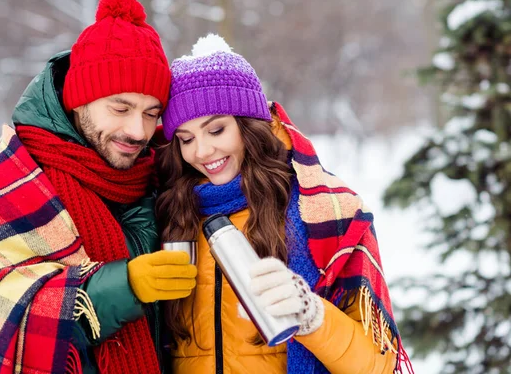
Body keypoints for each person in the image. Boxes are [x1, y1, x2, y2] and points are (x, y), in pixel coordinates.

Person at [0, 0, 197, 374]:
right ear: (79, 100)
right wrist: (120, 289)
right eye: (120, 107)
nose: (138, 130)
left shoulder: (161, 174)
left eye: (151, 112)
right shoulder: (10, 179)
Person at [156, 34, 414, 374]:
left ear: (248, 126)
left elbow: (377, 365)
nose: (201, 152)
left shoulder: (325, 212)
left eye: (216, 130)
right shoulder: (167, 211)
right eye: (186, 139)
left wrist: (313, 317)